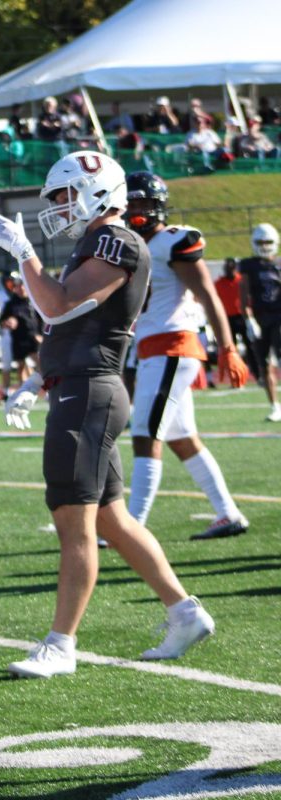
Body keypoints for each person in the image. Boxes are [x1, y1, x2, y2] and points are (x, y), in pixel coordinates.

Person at [0, 150, 216, 679]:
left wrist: (23, 255)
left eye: (67, 195)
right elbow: (73, 328)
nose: (60, 206)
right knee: (112, 515)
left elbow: (57, 306)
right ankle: (184, 612)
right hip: (82, 386)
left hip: (90, 394)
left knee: (74, 520)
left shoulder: (116, 240)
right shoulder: (99, 243)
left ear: (98, 192)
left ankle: (60, 643)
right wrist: (36, 379)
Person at [120, 172, 251, 540]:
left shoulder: (173, 240)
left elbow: (208, 294)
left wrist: (227, 347)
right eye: (129, 203)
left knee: (145, 434)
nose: (134, 210)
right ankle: (228, 513)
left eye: (141, 202)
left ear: (158, 205)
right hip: (154, 349)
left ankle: (132, 526)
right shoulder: (131, 245)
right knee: (181, 437)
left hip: (172, 346)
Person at [238, 223, 281, 421]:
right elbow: (244, 293)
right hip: (260, 318)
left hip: (278, 317)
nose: (264, 246)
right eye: (260, 242)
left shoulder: (279, 264)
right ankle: (274, 406)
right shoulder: (249, 265)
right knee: (264, 364)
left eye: (267, 242)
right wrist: (249, 320)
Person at [215, 258, 260, 380]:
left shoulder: (241, 281)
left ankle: (257, 375)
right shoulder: (219, 283)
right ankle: (235, 378)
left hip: (242, 317)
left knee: (250, 347)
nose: (229, 271)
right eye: (227, 268)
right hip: (227, 319)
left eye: (231, 268)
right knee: (230, 349)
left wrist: (251, 316)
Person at [0, 276, 40, 390]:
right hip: (18, 339)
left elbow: (41, 319)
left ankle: (47, 388)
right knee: (21, 366)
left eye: (23, 285)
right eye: (18, 286)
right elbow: (2, 321)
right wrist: (7, 322)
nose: (21, 288)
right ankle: (24, 391)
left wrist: (41, 335)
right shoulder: (11, 304)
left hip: (33, 338)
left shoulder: (34, 301)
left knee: (41, 364)